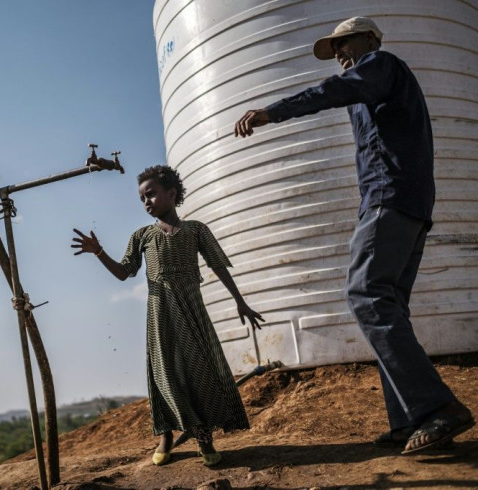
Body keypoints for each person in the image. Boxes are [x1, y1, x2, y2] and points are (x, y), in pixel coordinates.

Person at [233, 16, 474, 454]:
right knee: (389, 305)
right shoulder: (373, 85)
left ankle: (438, 407)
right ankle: (409, 418)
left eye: (343, 45)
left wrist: (273, 112)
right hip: (406, 204)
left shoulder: (381, 65)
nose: (339, 54)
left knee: (365, 294)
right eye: (334, 50)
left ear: (369, 38)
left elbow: (330, 91)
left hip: (392, 199)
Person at [71, 165, 265, 466]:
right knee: (165, 374)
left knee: (203, 372)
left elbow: (218, 265)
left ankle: (204, 436)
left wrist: (240, 301)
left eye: (151, 194)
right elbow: (124, 273)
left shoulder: (196, 230)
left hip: (192, 312)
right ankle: (166, 435)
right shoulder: (142, 236)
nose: (147, 202)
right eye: (142, 198)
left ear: (171, 193)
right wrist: (99, 252)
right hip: (161, 315)